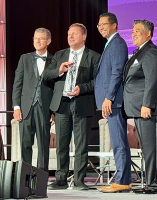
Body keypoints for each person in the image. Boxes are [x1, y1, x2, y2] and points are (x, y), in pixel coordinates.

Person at [43, 23, 100, 190]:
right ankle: (60, 179)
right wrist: (59, 70)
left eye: (74, 34)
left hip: (82, 102)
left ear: (84, 36)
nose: (70, 37)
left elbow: (97, 81)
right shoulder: (60, 55)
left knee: (81, 144)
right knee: (62, 144)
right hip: (62, 104)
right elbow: (46, 75)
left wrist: (81, 89)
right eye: (69, 34)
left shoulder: (94, 57)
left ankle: (79, 180)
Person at [123, 19, 157, 194]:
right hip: (139, 108)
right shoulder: (139, 52)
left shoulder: (151, 52)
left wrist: (146, 104)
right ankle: (150, 182)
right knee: (147, 148)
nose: (133, 33)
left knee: (151, 148)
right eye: (133, 30)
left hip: (151, 108)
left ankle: (154, 185)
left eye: (138, 30)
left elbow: (152, 80)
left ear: (148, 34)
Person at [95, 12, 132, 193]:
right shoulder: (110, 44)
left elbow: (117, 73)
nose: (101, 27)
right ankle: (122, 179)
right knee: (117, 143)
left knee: (119, 143)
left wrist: (108, 97)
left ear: (114, 25)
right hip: (111, 101)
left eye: (104, 24)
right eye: (99, 25)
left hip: (115, 101)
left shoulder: (117, 44)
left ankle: (123, 181)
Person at [12, 28, 54, 172]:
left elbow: (56, 88)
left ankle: (41, 177)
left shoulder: (54, 60)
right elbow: (17, 84)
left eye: (41, 38)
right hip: (26, 108)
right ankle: (25, 175)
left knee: (43, 144)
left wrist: (53, 110)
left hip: (45, 108)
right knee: (25, 144)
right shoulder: (25, 58)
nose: (37, 41)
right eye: (35, 38)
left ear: (48, 41)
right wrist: (16, 107)